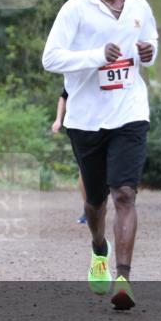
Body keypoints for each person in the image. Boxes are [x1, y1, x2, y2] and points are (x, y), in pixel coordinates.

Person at [41, 0, 158, 310]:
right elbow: (50, 58)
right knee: (96, 200)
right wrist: (95, 56)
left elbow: (149, 41)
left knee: (124, 194)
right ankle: (98, 247)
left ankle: (123, 279)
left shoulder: (139, 5)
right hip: (87, 119)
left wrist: (149, 52)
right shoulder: (75, 8)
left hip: (129, 112)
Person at [50, 88, 87, 224]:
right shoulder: (80, 70)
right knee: (84, 170)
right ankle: (89, 208)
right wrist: (58, 119)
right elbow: (64, 96)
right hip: (81, 127)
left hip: (109, 125)